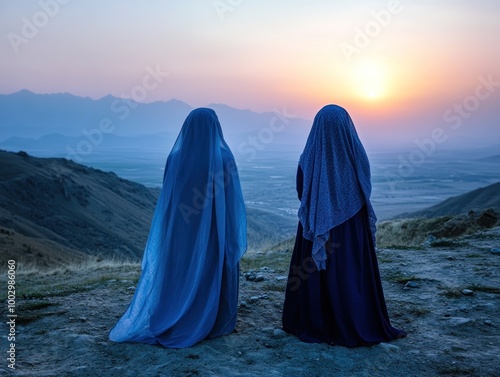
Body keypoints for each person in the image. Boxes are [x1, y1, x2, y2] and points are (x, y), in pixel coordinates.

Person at [109, 108, 247, 348]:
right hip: (214, 233)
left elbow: (169, 197)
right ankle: (214, 320)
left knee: (181, 269)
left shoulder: (176, 158)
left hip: (181, 232)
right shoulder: (224, 159)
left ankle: (174, 312)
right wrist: (232, 232)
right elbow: (233, 200)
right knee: (211, 268)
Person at [282, 104, 406, 347]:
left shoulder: (308, 159)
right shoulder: (357, 156)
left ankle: (315, 321)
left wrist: (324, 210)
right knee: (350, 274)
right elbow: (364, 188)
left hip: (318, 228)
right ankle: (355, 318)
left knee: (313, 274)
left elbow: (301, 191)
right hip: (350, 231)